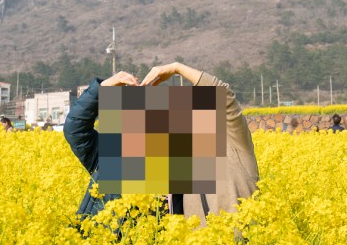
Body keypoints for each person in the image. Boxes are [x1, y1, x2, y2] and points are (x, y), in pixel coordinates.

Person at [63, 62, 260, 227]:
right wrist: (103, 88)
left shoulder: (199, 163)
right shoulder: (111, 158)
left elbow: (224, 98)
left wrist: (177, 68)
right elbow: (76, 129)